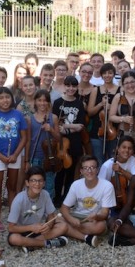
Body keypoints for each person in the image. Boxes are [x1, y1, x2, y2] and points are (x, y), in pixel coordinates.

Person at [0, 87, 28, 220]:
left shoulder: (18, 114)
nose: (5, 100)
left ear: (12, 98)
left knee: (12, 187)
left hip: (15, 155)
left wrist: (15, 154)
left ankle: (12, 217)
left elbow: (24, 137)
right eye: (1, 98)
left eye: (7, 97)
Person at [7, 167, 68, 251]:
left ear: (44, 183)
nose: (37, 184)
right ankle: (46, 243)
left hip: (39, 230)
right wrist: (31, 227)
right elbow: (11, 228)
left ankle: (30, 244)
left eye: (40, 181)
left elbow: (51, 216)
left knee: (63, 226)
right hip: (22, 231)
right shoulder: (19, 199)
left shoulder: (45, 194)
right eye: (33, 180)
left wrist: (48, 226)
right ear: (27, 183)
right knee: (13, 238)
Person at [60, 155, 115, 247]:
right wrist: (71, 219)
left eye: (92, 167)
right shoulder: (76, 184)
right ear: (81, 171)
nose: (89, 171)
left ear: (97, 170)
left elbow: (105, 214)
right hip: (77, 216)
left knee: (100, 226)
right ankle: (85, 237)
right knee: (55, 218)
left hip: (95, 219)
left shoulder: (107, 186)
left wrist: (97, 216)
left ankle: (66, 230)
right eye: (86, 168)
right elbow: (64, 208)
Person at [52, 76, 87, 205]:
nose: (71, 88)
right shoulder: (57, 103)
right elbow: (56, 125)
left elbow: (81, 126)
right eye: (68, 86)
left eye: (74, 86)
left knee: (71, 172)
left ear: (77, 87)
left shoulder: (79, 104)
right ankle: (56, 199)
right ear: (64, 86)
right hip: (61, 142)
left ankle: (66, 199)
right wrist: (72, 126)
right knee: (60, 172)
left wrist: (65, 128)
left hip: (75, 142)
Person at [26, 89, 61, 199]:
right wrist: (26, 160)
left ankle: (49, 210)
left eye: (45, 101)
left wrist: (50, 129)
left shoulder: (53, 117)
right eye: (39, 100)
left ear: (49, 103)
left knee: (49, 185)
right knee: (35, 184)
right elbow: (28, 141)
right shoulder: (30, 119)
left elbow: (59, 138)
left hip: (50, 158)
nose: (42, 103)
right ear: (35, 102)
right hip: (35, 156)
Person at [88, 63, 119, 163]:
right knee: (98, 161)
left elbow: (121, 111)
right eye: (104, 73)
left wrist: (112, 108)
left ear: (114, 74)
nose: (107, 75)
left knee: (112, 160)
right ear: (101, 75)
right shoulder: (95, 90)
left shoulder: (120, 90)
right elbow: (90, 112)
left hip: (114, 130)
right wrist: (101, 104)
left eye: (110, 73)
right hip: (97, 131)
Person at [109, 71, 135, 155]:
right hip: (123, 135)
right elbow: (111, 117)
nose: (130, 85)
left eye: (132, 82)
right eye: (126, 83)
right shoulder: (118, 97)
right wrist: (123, 119)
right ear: (122, 85)